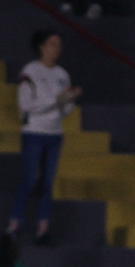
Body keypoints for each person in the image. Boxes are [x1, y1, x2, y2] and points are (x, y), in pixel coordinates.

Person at [9, 29, 81, 245]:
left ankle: (43, 228)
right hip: (34, 132)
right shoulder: (30, 71)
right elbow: (26, 106)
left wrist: (69, 100)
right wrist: (56, 99)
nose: (57, 48)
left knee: (48, 183)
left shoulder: (62, 74)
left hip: (55, 134)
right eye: (52, 43)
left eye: (59, 44)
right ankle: (14, 224)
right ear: (41, 47)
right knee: (30, 179)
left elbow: (65, 110)